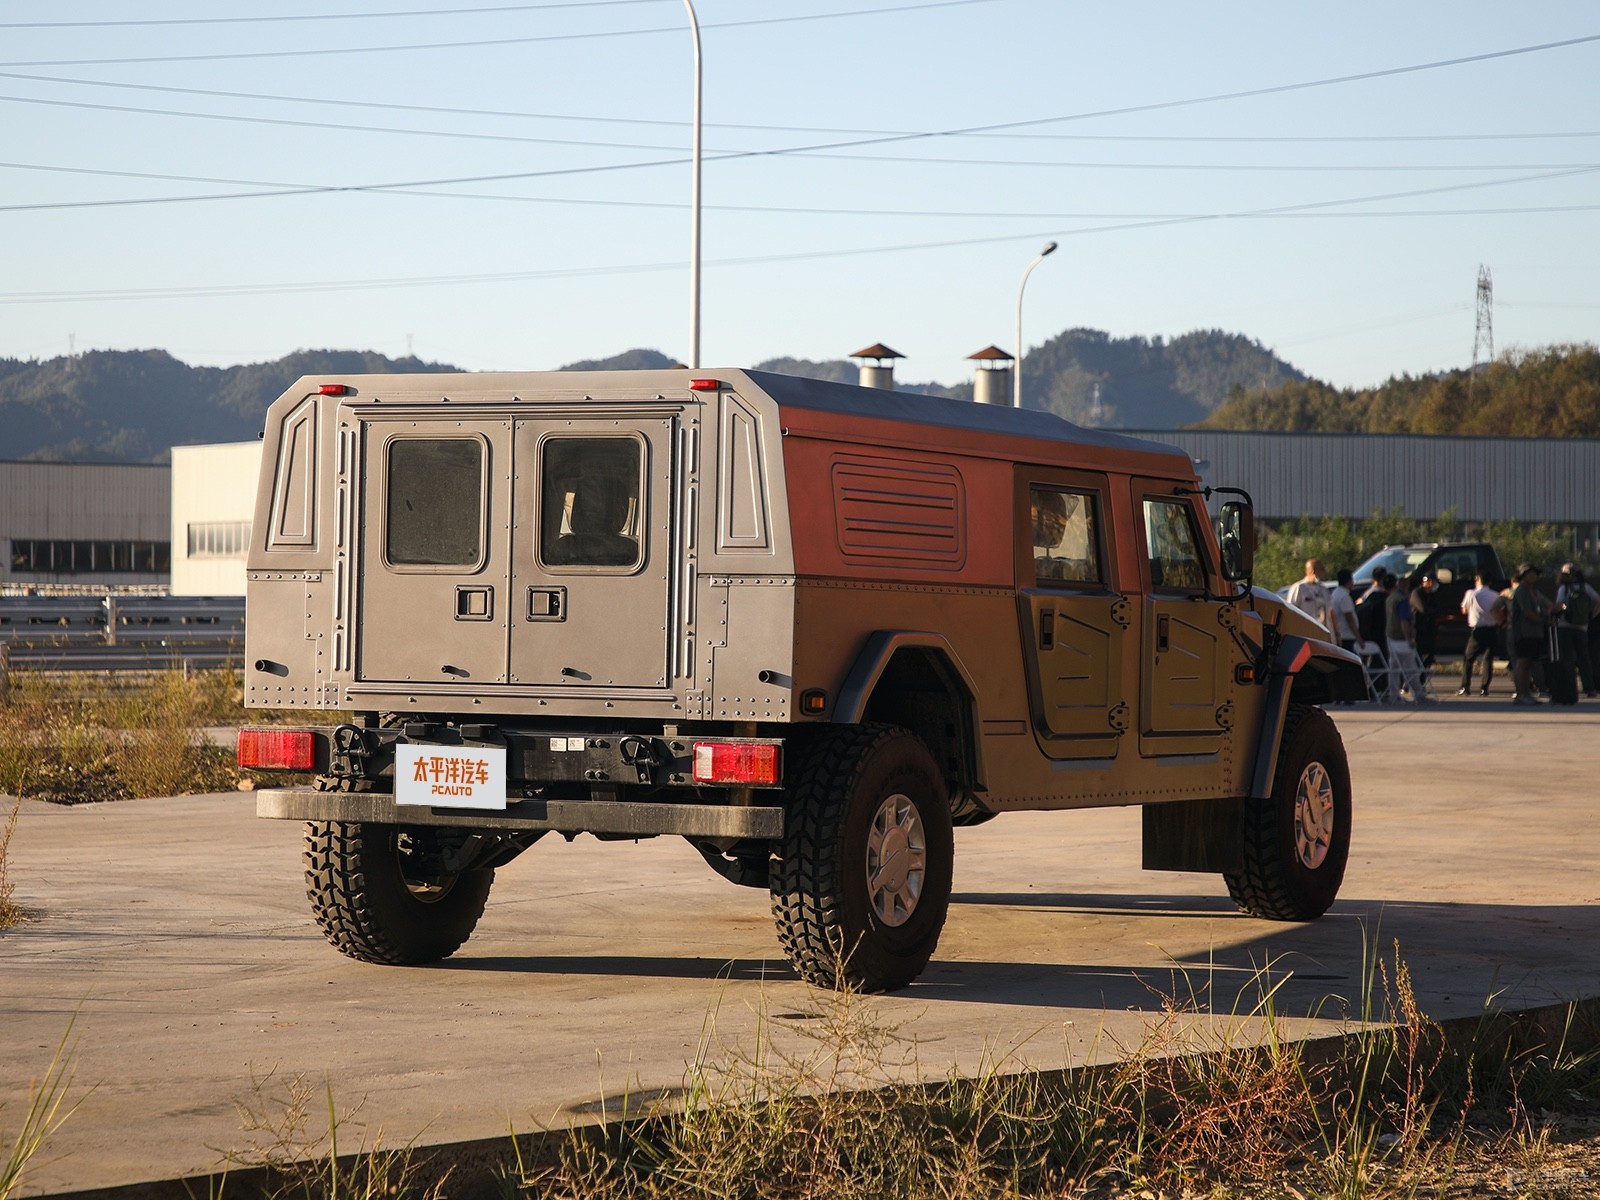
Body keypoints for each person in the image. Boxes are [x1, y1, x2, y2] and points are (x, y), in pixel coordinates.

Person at [1509, 562, 1554, 705]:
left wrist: (1553, 611)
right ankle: (1521, 694)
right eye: (1530, 574)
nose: (1533, 577)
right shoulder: (1521, 591)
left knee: (1528, 663)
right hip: (1524, 633)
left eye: (1535, 574)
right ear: (1523, 576)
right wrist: (1543, 620)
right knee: (1522, 663)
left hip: (1534, 633)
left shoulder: (1534, 591)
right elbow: (1527, 612)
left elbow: (1548, 605)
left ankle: (1526, 693)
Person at [1384, 570, 1430, 703]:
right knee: (1410, 668)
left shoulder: (1390, 599)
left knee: (1393, 669)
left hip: (1390, 636)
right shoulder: (1402, 600)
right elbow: (1404, 621)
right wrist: (1409, 638)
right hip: (1401, 639)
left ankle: (1394, 694)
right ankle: (1418, 694)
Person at [1555, 563, 1600, 698]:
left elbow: (1559, 604)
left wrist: (1554, 614)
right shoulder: (1585, 587)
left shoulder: (1563, 588)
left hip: (1565, 626)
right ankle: (1589, 688)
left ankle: (1570, 688)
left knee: (1567, 659)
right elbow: (1598, 601)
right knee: (1584, 659)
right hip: (1582, 628)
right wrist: (1591, 616)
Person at [1458, 571, 1505, 696]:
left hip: (1477, 629)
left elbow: (1464, 609)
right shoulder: (1495, 595)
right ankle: (1484, 687)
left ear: (1477, 580)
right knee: (1488, 660)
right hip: (1492, 629)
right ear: (1490, 582)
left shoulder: (1471, 593)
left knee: (1469, 658)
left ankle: (1465, 686)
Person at [1285, 558, 1333, 632]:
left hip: (1323, 631)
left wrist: (1336, 634)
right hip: (1305, 631)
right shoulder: (1299, 588)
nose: (1325, 572)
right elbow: (1290, 611)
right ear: (1314, 572)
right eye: (1322, 569)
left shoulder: (1324, 590)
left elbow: (1331, 613)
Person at [1407, 573, 1439, 666]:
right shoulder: (1417, 593)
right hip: (1419, 629)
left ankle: (1424, 673)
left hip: (1429, 630)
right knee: (1418, 655)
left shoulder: (1431, 595)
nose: (1435, 584)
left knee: (1430, 655)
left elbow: (1437, 610)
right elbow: (1423, 609)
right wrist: (1432, 610)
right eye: (1433, 582)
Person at [1329, 567, 1361, 653]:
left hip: (1340, 635)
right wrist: (1358, 637)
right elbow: (1349, 618)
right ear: (1349, 580)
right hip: (1347, 636)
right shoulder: (1344, 597)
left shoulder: (1335, 593)